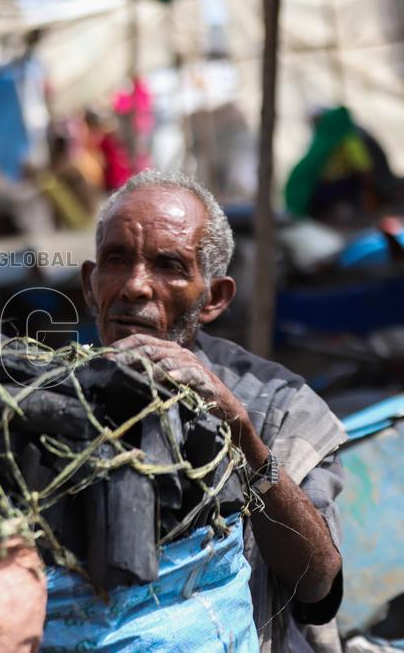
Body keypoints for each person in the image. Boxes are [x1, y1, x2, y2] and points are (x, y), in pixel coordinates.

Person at [80, 169, 345, 652]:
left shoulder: (281, 408)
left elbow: (318, 587)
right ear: (89, 282)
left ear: (213, 299)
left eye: (169, 266)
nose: (136, 287)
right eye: (116, 260)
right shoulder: (46, 395)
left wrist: (240, 433)